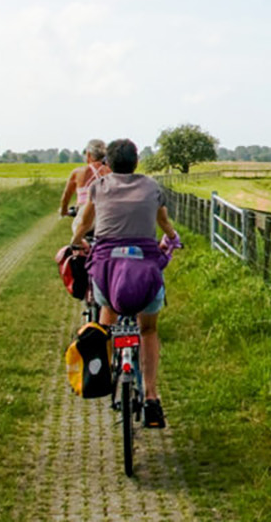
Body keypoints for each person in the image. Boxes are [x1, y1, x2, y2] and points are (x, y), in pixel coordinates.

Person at [70, 138, 179, 429]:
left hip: (108, 269)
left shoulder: (98, 188)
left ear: (108, 163)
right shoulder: (152, 188)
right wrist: (172, 237)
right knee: (148, 328)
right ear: (136, 162)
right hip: (145, 268)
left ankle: (101, 372)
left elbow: (83, 225)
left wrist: (75, 242)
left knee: (106, 317)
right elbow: (166, 226)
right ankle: (152, 397)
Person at [59, 140, 111, 232]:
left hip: (86, 215)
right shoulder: (111, 171)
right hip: (106, 216)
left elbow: (66, 196)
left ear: (88, 154)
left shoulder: (78, 172)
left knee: (77, 236)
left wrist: (64, 211)